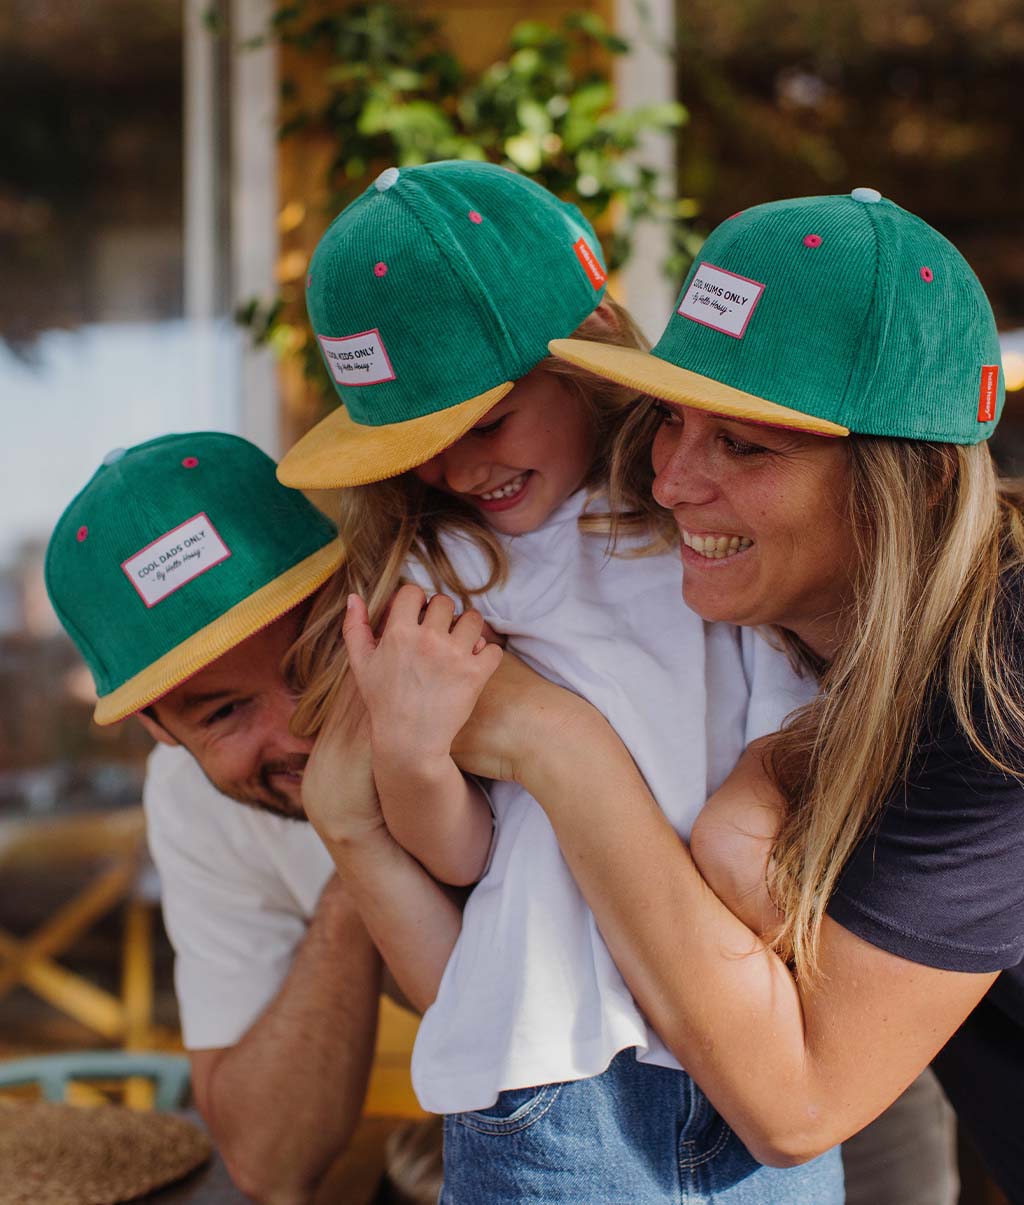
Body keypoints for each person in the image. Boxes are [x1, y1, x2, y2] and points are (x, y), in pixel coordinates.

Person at [415, 187, 1024, 1197]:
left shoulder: (998, 688)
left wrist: (555, 744)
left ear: (910, 485)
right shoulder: (822, 638)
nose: (669, 481)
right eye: (668, 419)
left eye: (741, 443)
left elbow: (797, 1102)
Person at [279, 158, 844, 1202]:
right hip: (547, 1076)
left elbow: (795, 743)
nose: (454, 472)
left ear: (586, 361)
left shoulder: (706, 522)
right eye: (419, 448)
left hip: (746, 1034)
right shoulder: (437, 570)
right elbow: (459, 852)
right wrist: (410, 750)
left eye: (486, 423)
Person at [43, 431, 443, 1205]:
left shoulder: (459, 652)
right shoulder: (191, 799)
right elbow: (269, 1160)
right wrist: (353, 864)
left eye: (310, 662)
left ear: (351, 592)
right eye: (225, 711)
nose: (299, 732)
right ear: (159, 729)